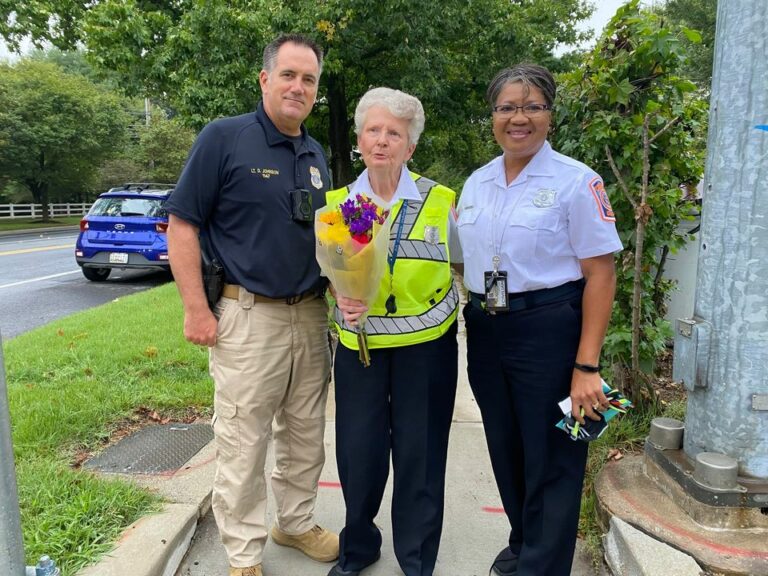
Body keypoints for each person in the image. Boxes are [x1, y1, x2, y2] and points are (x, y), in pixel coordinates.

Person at [165, 34, 338, 576]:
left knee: (306, 434)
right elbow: (182, 225)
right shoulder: (224, 139)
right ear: (265, 79)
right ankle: (243, 553)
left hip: (310, 314)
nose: (298, 87)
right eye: (288, 75)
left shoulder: (315, 155)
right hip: (247, 315)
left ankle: (295, 520)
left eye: (308, 79)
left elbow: (326, 238)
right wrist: (196, 309)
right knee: (243, 441)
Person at [457, 64, 623, 576]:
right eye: (507, 107)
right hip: (487, 329)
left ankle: (543, 566)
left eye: (532, 106)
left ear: (550, 115)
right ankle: (525, 541)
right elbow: (464, 260)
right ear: (493, 116)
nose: (518, 118)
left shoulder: (577, 182)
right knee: (506, 449)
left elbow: (601, 273)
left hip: (551, 330)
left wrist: (587, 366)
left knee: (555, 455)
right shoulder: (477, 182)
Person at [327, 87, 462, 576]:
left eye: (395, 134)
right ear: (359, 140)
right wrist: (338, 294)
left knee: (420, 457)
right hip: (360, 349)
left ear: (410, 146)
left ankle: (417, 558)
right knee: (358, 456)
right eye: (373, 130)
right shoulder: (340, 204)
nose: (382, 141)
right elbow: (329, 267)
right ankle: (358, 548)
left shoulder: (441, 201)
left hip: (426, 350)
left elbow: (467, 262)